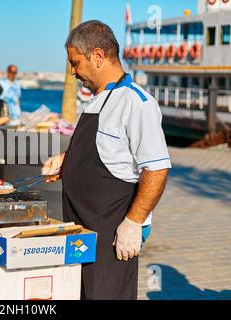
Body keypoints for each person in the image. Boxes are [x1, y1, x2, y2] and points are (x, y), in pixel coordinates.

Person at [42, 20, 171, 300]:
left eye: (75, 63)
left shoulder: (138, 103)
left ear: (98, 56)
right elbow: (108, 152)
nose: (73, 71)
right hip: (82, 230)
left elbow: (157, 168)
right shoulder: (99, 98)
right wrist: (67, 160)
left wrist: (133, 223)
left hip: (111, 232)